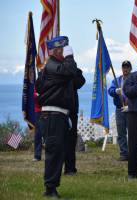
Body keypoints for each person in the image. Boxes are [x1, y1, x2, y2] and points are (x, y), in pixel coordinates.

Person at [36, 36, 77, 198]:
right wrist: (70, 57)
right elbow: (69, 71)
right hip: (52, 115)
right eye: (62, 48)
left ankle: (52, 186)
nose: (64, 51)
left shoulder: (55, 66)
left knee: (59, 152)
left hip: (58, 114)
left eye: (65, 48)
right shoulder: (53, 65)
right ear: (54, 50)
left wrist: (68, 61)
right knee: (54, 152)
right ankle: (49, 188)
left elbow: (77, 78)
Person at [108, 60, 132, 161]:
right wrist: (115, 91)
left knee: (132, 132)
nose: (125, 69)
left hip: (131, 109)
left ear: (130, 68)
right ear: (122, 68)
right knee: (121, 132)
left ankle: (133, 153)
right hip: (119, 109)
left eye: (127, 67)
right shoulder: (117, 80)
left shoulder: (133, 79)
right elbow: (110, 90)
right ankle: (123, 153)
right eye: (124, 67)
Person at [64, 66, 85, 175]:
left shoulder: (73, 71)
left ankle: (70, 168)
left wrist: (75, 70)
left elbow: (81, 82)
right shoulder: (55, 69)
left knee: (71, 141)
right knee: (58, 141)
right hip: (58, 110)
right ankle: (57, 168)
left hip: (71, 111)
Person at [32, 86, 42, 162]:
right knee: (38, 134)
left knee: (49, 134)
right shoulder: (37, 83)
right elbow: (35, 97)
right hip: (38, 111)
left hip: (48, 110)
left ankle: (51, 154)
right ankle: (37, 155)